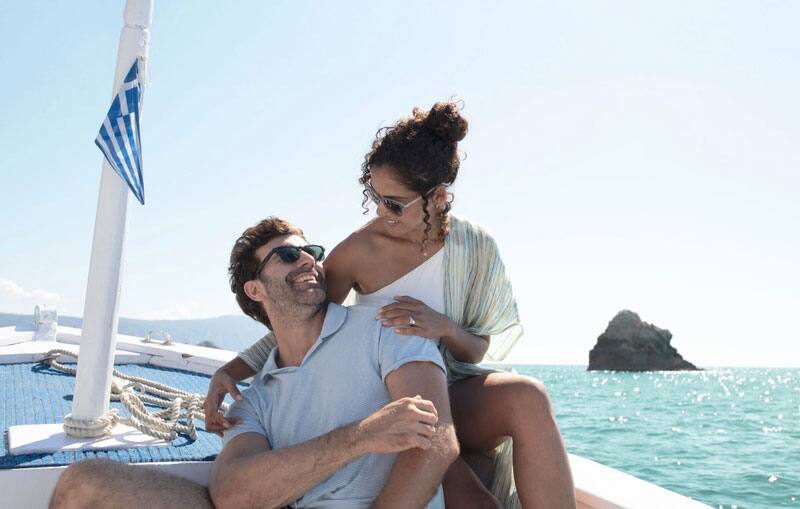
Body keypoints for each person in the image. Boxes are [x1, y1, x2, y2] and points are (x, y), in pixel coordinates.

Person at [205, 102, 576, 508]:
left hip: (454, 389)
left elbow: (478, 349)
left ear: (436, 196)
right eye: (375, 197)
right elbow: (303, 321)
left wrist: (444, 328)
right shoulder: (358, 251)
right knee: (471, 495)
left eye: (395, 204)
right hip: (391, 393)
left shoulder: (477, 247)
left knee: (528, 396)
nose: (382, 212)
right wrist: (232, 369)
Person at [50, 217, 459, 509]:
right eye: (286, 255)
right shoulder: (254, 400)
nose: (308, 260)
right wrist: (359, 437)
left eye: (310, 252)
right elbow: (230, 495)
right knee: (84, 484)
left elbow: (438, 441)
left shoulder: (385, 327)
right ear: (254, 289)